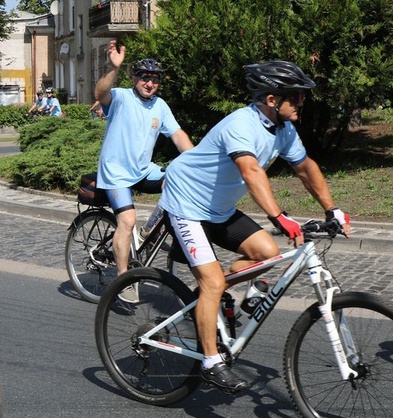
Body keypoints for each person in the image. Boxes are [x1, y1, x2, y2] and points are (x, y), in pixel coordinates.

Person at [158, 60, 352, 394]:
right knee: (213, 281)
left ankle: (215, 300)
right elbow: (250, 170)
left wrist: (332, 208)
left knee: (268, 252)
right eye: (296, 96)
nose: (302, 102)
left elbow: (305, 168)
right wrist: (279, 216)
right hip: (187, 203)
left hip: (219, 209)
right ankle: (210, 363)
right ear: (272, 100)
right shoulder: (241, 124)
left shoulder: (283, 130)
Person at [94, 40, 194, 303]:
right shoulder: (121, 98)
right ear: (134, 78)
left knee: (178, 182)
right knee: (126, 221)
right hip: (115, 172)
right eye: (144, 78)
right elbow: (100, 93)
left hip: (142, 170)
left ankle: (148, 231)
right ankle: (123, 279)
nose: (149, 83)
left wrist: (193, 158)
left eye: (155, 79)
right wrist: (112, 67)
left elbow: (177, 134)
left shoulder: (160, 106)